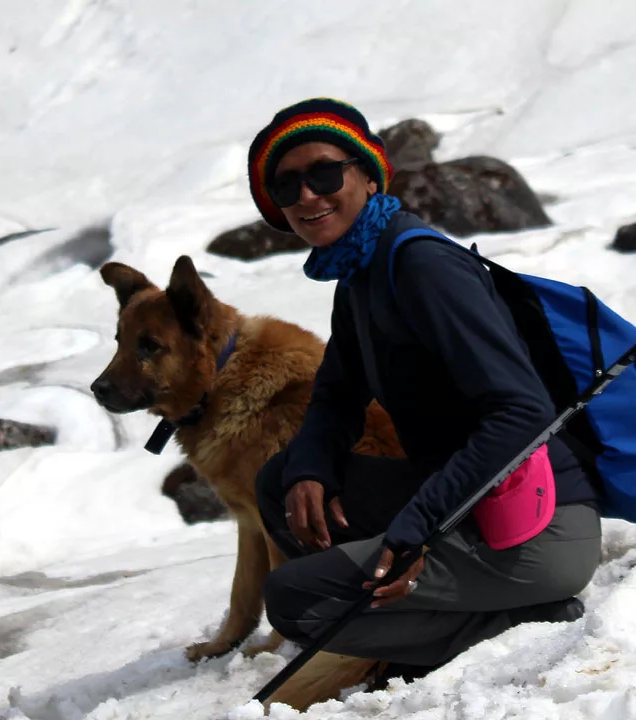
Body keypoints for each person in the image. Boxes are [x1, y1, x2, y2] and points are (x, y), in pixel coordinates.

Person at [251, 98, 603, 675]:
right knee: (282, 486)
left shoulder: (420, 266)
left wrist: (418, 530)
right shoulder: (362, 272)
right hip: (470, 502)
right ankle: (407, 617)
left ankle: (516, 617)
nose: (307, 196)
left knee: (295, 598)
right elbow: (338, 395)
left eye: (323, 173)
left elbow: (522, 413)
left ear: (366, 174)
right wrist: (309, 469)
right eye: (287, 186)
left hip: (535, 526)